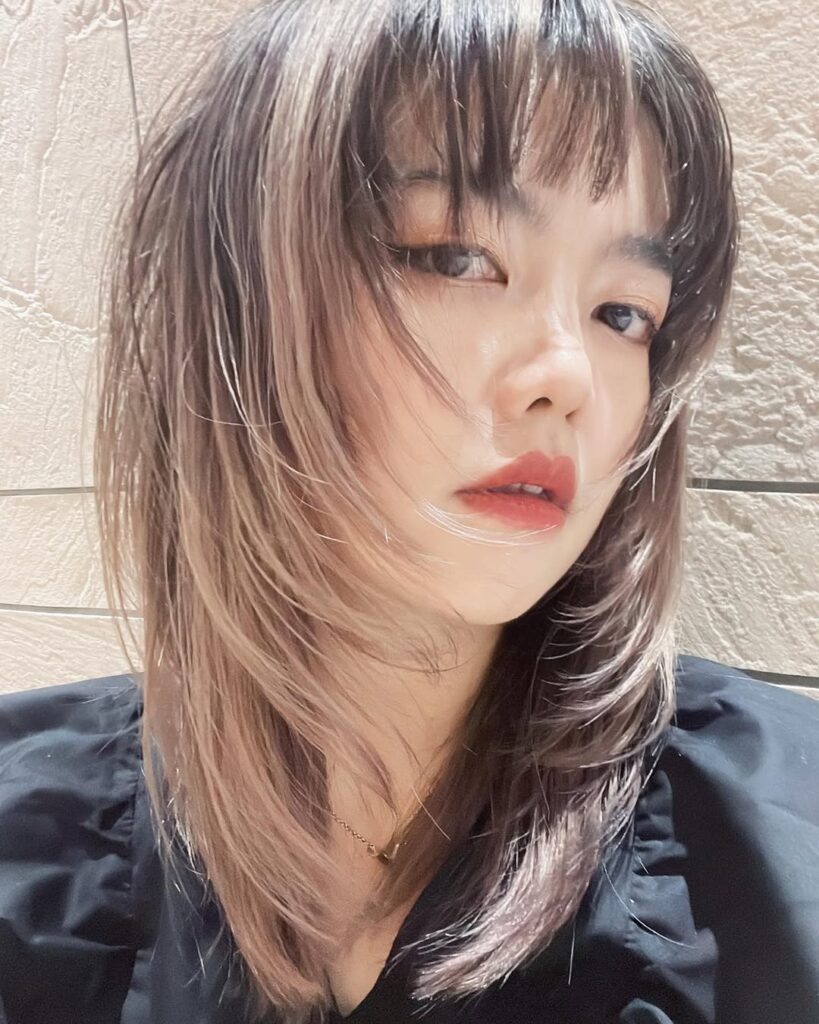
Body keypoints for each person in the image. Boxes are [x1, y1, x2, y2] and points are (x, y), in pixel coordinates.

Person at [0, 0, 817, 1021]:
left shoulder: (779, 844)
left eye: (622, 312)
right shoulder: (31, 834)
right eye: (455, 258)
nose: (568, 375)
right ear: (240, 301)